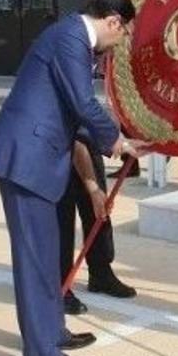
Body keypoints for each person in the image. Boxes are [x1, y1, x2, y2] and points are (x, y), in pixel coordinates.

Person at [0, 0, 147, 356]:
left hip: (36, 156)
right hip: (26, 159)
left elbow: (76, 113)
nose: (119, 44)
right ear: (112, 22)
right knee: (35, 260)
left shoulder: (69, 37)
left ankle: (53, 332)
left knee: (48, 251)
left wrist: (120, 137)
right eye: (122, 35)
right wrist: (118, 143)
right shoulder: (72, 38)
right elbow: (83, 104)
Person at [59, 132, 137, 316]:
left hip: (90, 140)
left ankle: (101, 273)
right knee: (61, 218)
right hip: (61, 145)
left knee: (99, 212)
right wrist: (116, 141)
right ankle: (60, 286)